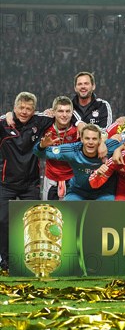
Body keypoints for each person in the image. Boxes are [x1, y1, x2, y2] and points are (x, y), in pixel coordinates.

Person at [0, 92, 54, 271]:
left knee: (33, 224)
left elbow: (63, 117)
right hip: (5, 184)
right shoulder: (3, 124)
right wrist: (7, 115)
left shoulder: (39, 122)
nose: (24, 111)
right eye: (21, 108)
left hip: (30, 183)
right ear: (14, 108)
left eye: (28, 109)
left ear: (34, 111)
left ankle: (30, 261)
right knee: (3, 222)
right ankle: (6, 261)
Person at [39, 124, 120, 201]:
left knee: (109, 207)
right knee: (68, 207)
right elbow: (42, 153)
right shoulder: (72, 150)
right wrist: (41, 146)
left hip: (104, 194)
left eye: (94, 139)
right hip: (78, 193)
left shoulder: (110, 147)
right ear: (81, 139)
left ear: (100, 140)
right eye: (87, 138)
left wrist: (118, 150)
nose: (90, 142)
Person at [34, 96, 79, 200]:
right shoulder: (45, 127)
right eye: (60, 111)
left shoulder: (78, 130)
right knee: (49, 212)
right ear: (53, 112)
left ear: (72, 113)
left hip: (73, 178)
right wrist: (10, 115)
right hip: (51, 178)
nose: (64, 115)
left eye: (68, 111)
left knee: (73, 213)